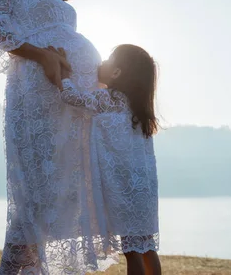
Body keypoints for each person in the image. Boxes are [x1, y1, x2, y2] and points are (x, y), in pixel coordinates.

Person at [0, 0, 119, 274]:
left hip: (69, 105)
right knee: (32, 204)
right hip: (37, 101)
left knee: (59, 201)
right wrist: (44, 55)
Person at [56, 44, 161, 275]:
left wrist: (64, 75)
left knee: (131, 250)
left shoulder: (107, 98)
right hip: (144, 190)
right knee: (147, 247)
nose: (101, 63)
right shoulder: (138, 109)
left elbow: (71, 97)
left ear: (116, 73)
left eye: (108, 60)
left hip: (124, 190)